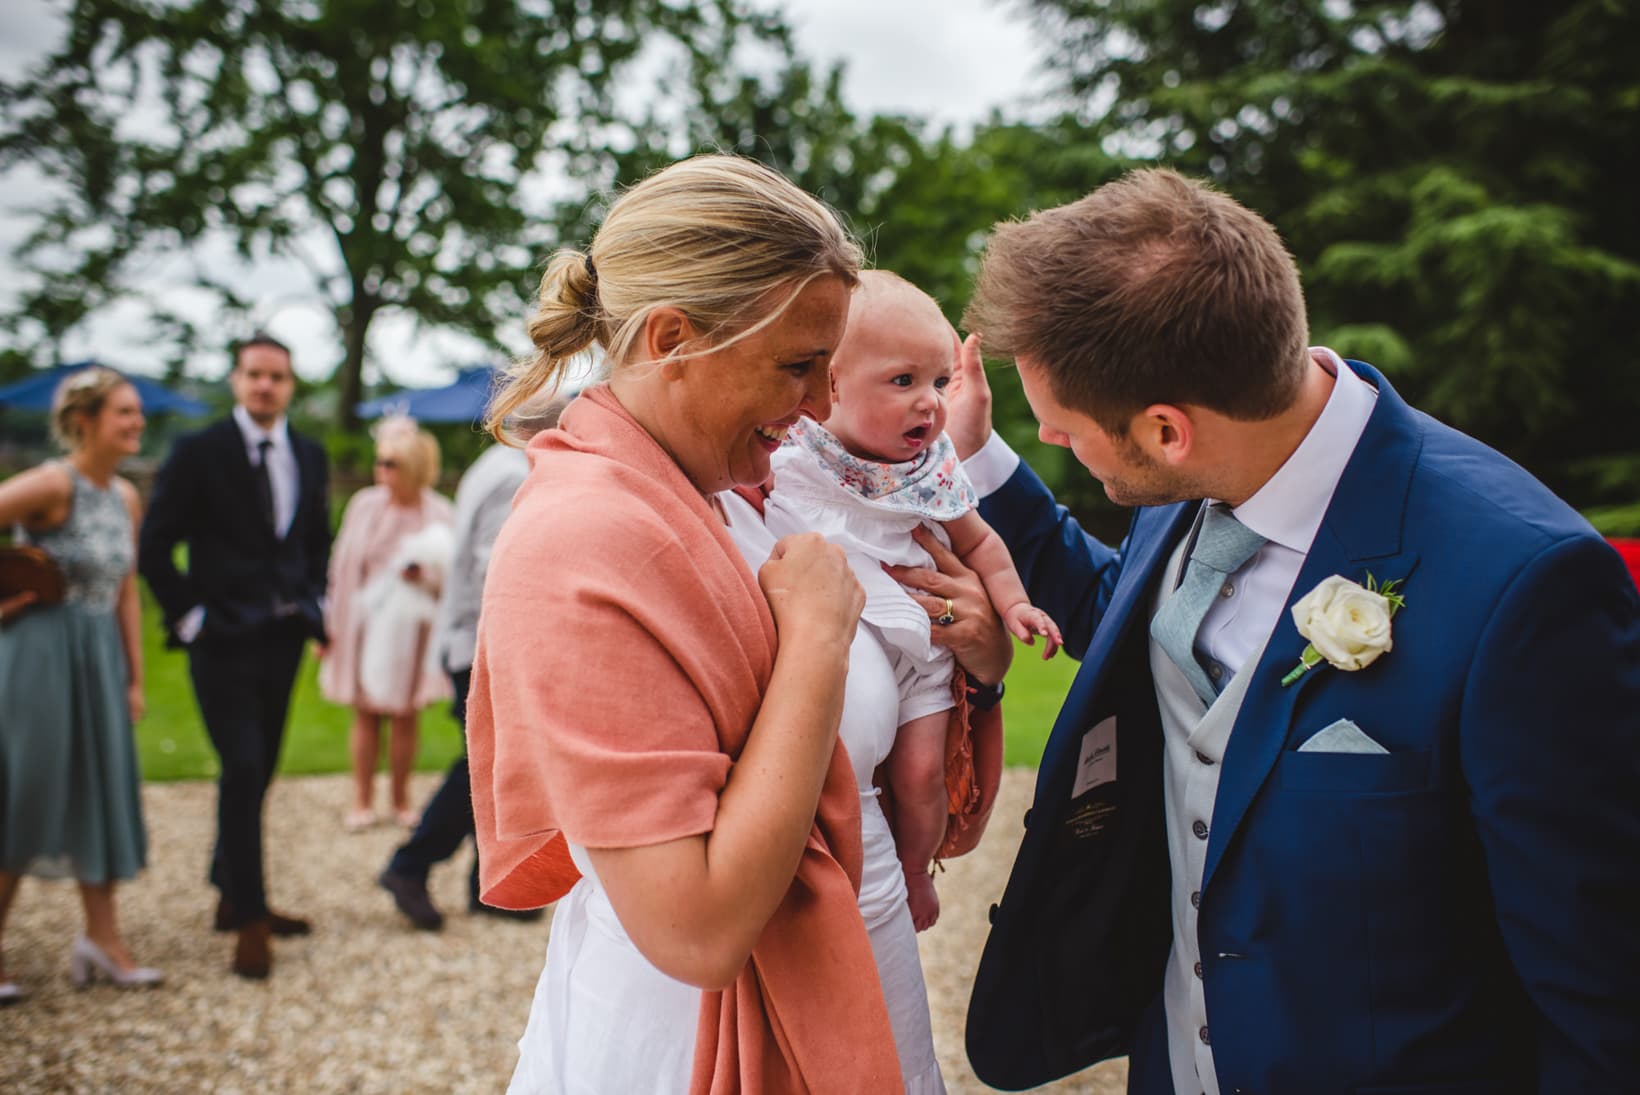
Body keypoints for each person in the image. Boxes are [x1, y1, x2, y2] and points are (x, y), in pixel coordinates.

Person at [950, 168, 1640, 1093]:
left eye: (1065, 429)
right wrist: (982, 465)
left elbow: (1600, 987)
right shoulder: (1199, 480)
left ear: (1166, 430)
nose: (1048, 436)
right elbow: (1136, 620)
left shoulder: (1526, 586)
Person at [466, 154, 1010, 1094]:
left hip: (844, 971)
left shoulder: (742, 487)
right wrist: (815, 641)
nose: (815, 408)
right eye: (799, 366)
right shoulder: (585, 541)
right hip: (687, 1044)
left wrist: (982, 651)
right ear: (673, 336)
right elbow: (696, 927)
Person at [765, 270, 1058, 932]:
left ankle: (913, 870)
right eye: (903, 381)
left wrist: (1013, 607)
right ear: (829, 382)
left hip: (926, 646)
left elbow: (981, 546)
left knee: (923, 773)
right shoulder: (792, 449)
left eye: (938, 382)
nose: (929, 403)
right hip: (841, 632)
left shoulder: (931, 470)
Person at [139, 333, 331, 980]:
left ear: (291, 383)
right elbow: (155, 545)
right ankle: (250, 919)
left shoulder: (307, 453)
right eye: (254, 374)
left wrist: (315, 604)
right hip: (219, 639)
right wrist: (191, 617)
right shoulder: (200, 452)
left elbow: (314, 542)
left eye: (276, 375)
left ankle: (231, 888)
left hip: (284, 637)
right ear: (235, 379)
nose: (265, 386)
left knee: (261, 768)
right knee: (243, 767)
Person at [0, 368, 161, 1001]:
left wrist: (135, 678)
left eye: (138, 412)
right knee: (25, 792)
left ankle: (103, 940)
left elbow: (126, 591)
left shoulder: (125, 496)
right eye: (123, 412)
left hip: (99, 660)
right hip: (39, 655)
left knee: (102, 790)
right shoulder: (50, 483)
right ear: (84, 420)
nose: (137, 422)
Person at [377, 400, 563, 931]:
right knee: (483, 764)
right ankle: (409, 865)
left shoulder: (495, 463)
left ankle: (488, 884)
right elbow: (496, 570)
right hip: (485, 641)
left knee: (499, 763)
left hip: (473, 636)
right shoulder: (513, 475)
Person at [319, 416, 453, 831]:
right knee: (365, 712)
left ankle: (400, 798)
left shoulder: (439, 511)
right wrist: (328, 625)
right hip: (363, 623)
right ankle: (362, 799)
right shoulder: (364, 506)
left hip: (412, 630)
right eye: (380, 462)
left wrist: (425, 576)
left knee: (405, 714)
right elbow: (340, 567)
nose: (382, 471)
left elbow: (452, 574)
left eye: (391, 464)